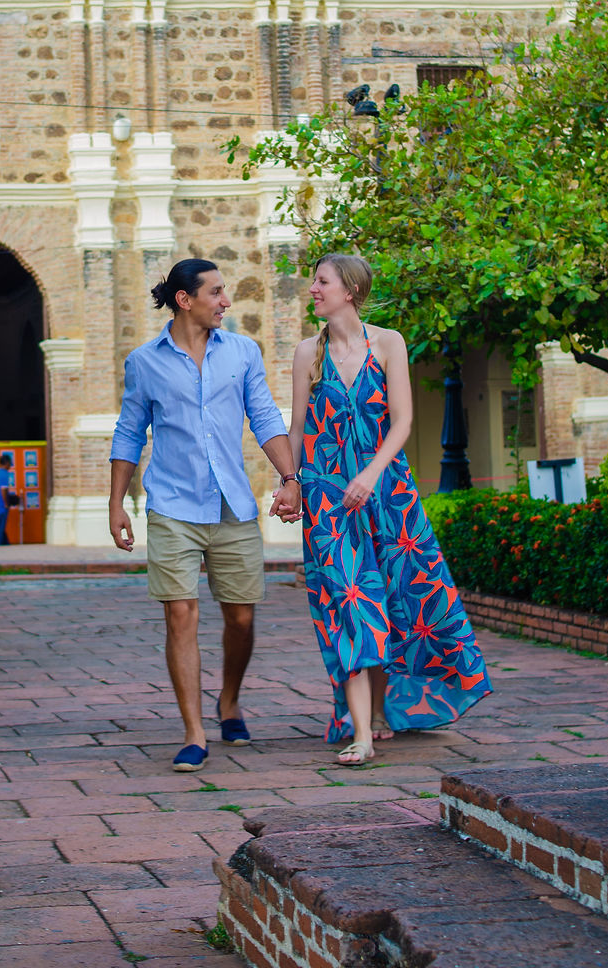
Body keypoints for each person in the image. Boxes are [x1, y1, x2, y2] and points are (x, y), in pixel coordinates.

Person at [289, 253, 492, 766]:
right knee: (353, 604)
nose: (313, 289)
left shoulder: (389, 344)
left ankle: (379, 712)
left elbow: (401, 423)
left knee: (401, 605)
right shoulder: (305, 352)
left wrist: (371, 473)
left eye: (322, 282)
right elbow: (297, 428)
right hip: (328, 501)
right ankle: (360, 731)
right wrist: (290, 483)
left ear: (350, 290)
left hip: (387, 496)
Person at [109, 258, 302, 772]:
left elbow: (263, 415)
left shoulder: (242, 352)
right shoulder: (144, 362)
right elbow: (130, 433)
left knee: (240, 615)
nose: (226, 301)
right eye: (216, 292)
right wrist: (117, 503)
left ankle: (229, 701)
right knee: (180, 613)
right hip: (172, 504)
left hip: (232, 503)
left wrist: (290, 479)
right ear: (184, 300)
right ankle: (194, 732)